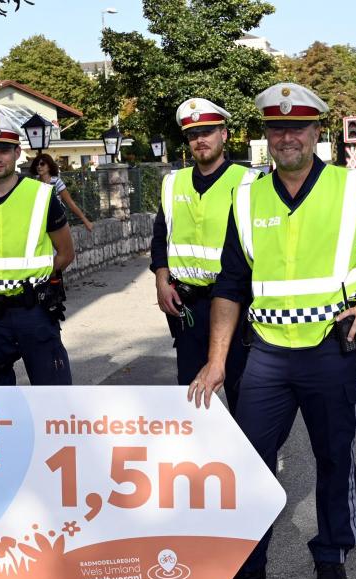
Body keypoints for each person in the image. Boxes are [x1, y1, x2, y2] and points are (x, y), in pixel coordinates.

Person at [189, 83, 356, 579]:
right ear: (265, 135)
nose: (287, 138)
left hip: (333, 349)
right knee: (250, 458)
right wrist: (216, 361)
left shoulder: (354, 188)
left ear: (317, 132)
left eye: (297, 127)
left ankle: (331, 553)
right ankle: (248, 560)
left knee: (333, 456)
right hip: (267, 354)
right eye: (277, 128)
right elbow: (230, 285)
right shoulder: (247, 196)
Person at [150, 98, 257, 410]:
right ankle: (200, 458)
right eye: (193, 134)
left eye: (207, 131)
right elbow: (160, 237)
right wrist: (161, 280)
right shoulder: (173, 183)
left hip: (237, 306)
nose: (200, 139)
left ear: (224, 135)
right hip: (189, 307)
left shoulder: (249, 182)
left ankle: (250, 458)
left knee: (244, 396)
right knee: (191, 398)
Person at [0, 115, 74, 385]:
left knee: (54, 393)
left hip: (34, 310)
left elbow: (66, 253)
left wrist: (35, 276)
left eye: (5, 151)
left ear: (17, 153)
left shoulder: (42, 195)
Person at [29, 153, 94, 233]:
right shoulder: (34, 183)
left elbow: (70, 203)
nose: (39, 166)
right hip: (40, 222)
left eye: (42, 164)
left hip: (56, 220)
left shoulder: (56, 182)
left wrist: (85, 221)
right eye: (37, 164)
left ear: (49, 166)